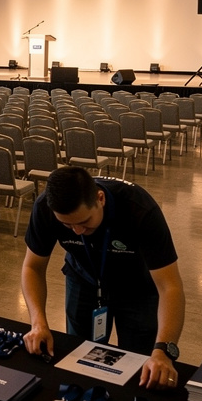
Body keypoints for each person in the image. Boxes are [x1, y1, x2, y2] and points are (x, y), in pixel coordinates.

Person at [19, 166, 186, 389]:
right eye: (67, 225)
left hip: (137, 288)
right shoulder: (45, 208)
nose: (76, 230)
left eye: (84, 222)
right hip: (84, 281)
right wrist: (38, 323)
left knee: (141, 364)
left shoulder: (140, 209)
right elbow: (32, 267)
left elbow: (170, 286)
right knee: (80, 357)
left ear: (100, 199)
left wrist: (164, 350)